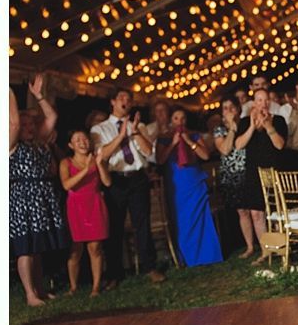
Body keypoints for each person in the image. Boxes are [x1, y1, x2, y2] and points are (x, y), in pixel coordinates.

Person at [91, 88, 166, 286]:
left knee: (142, 224)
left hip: (137, 177)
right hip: (115, 180)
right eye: (122, 98)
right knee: (115, 227)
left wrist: (134, 132)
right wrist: (121, 135)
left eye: (129, 99)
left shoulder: (138, 125)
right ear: (113, 102)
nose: (126, 101)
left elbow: (150, 152)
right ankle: (115, 273)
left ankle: (150, 267)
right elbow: (103, 154)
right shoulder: (99, 129)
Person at [10, 76, 71, 306]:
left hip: (40, 195)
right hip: (22, 198)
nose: (28, 128)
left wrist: (39, 97)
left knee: (37, 246)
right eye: (24, 125)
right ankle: (29, 294)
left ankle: (40, 289)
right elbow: (14, 124)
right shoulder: (11, 145)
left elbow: (52, 116)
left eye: (31, 124)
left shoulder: (38, 142)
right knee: (25, 247)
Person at [155, 108, 222, 267]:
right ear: (172, 121)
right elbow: (160, 160)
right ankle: (188, 257)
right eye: (176, 118)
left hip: (194, 181)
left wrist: (189, 142)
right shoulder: (163, 138)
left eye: (183, 118)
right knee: (182, 220)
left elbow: (205, 156)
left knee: (200, 218)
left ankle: (208, 255)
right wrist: (173, 144)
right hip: (177, 185)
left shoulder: (194, 135)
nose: (180, 121)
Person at [235, 88, 287, 263]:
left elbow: (280, 145)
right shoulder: (244, 122)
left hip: (273, 172)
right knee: (257, 214)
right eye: (259, 100)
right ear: (254, 103)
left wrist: (268, 126)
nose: (263, 104)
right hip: (253, 172)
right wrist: (251, 126)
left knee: (275, 211)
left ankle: (280, 248)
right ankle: (265, 251)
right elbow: (239, 145)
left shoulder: (278, 120)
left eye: (266, 100)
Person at [59, 130, 111, 296]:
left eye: (84, 139)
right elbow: (67, 185)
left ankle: (96, 286)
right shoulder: (66, 163)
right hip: (76, 206)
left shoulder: (96, 159)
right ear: (70, 145)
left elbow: (107, 182)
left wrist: (99, 164)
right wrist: (86, 170)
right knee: (76, 249)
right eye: (77, 140)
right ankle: (73, 286)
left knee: (95, 247)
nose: (82, 142)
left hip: (94, 203)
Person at [213, 94, 256, 258]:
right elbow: (225, 149)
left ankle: (263, 241)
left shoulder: (246, 124)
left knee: (256, 210)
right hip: (232, 175)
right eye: (225, 108)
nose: (229, 111)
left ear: (238, 109)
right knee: (242, 211)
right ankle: (250, 246)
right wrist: (232, 128)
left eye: (232, 107)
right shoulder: (219, 130)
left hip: (249, 171)